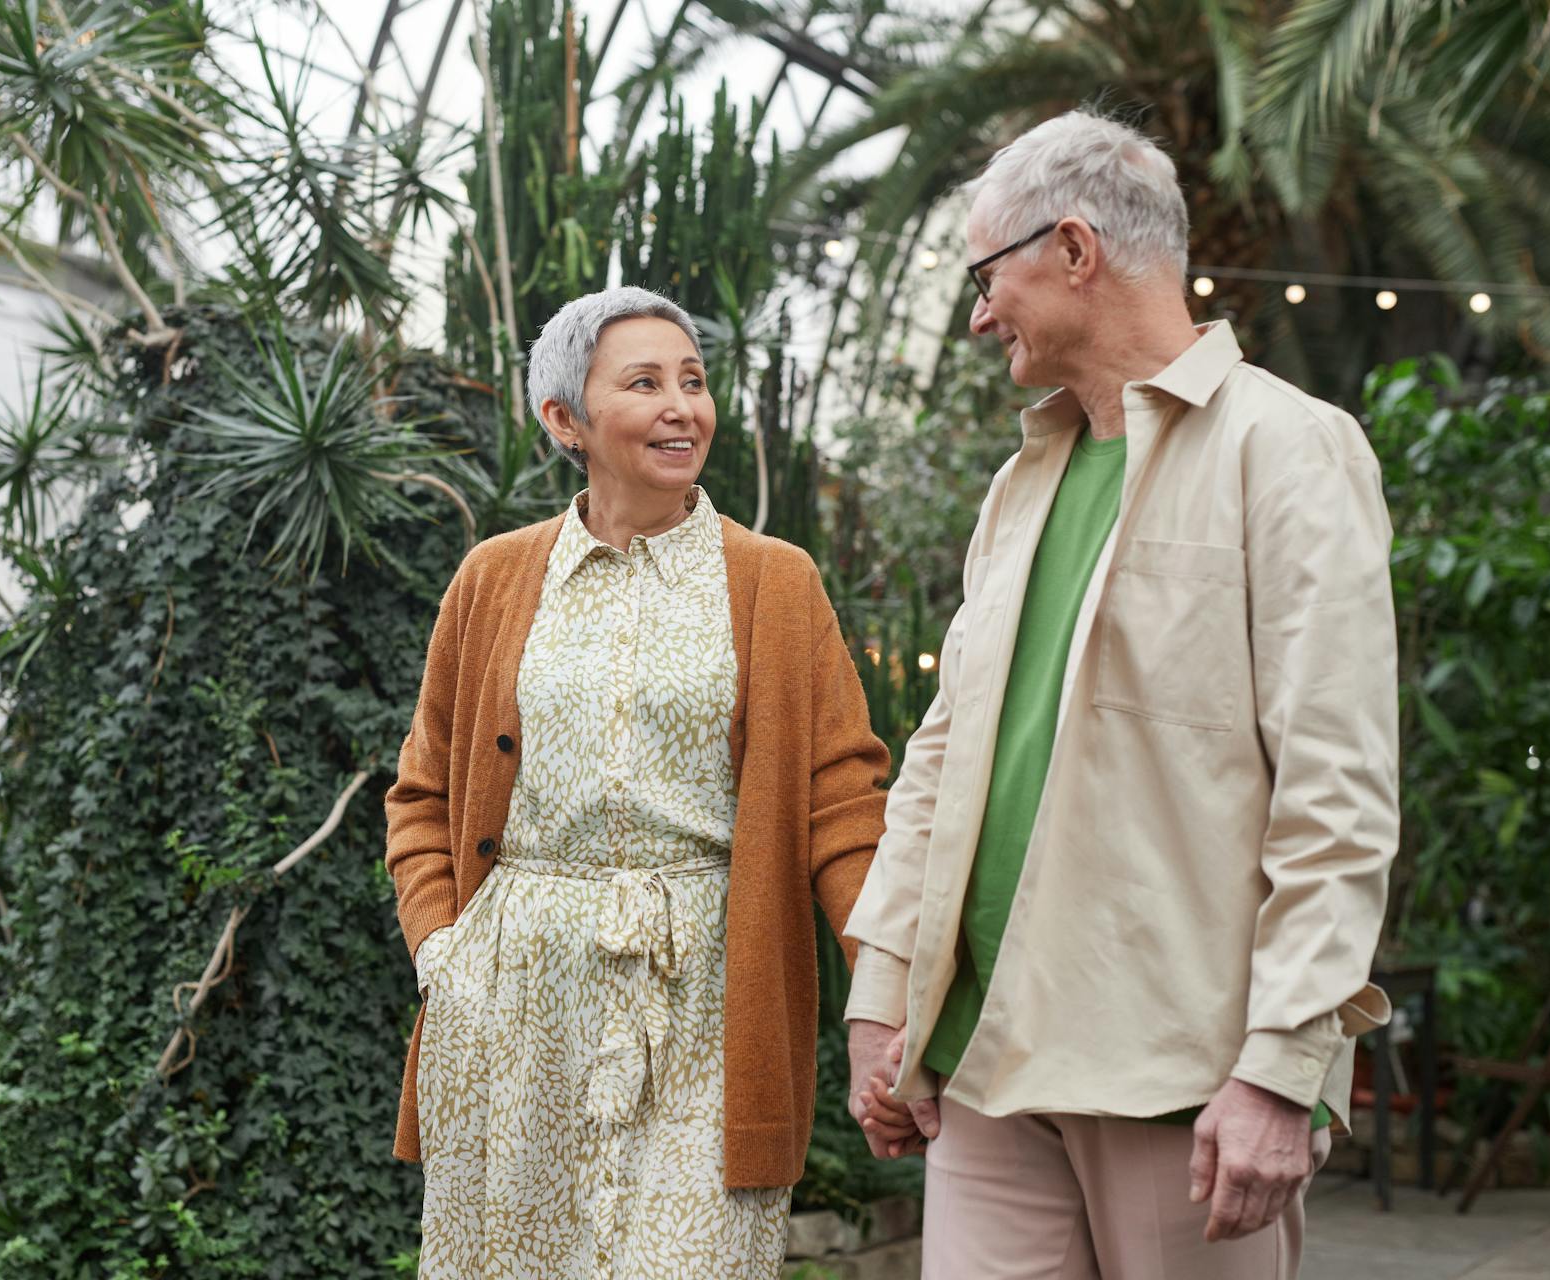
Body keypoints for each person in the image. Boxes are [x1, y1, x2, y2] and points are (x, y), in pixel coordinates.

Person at [842, 110, 1399, 1279]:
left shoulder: (1291, 449)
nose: (981, 312)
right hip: (983, 1059)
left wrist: (1280, 1064)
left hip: (1178, 1071)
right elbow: (944, 750)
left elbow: (1335, 790)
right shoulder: (1020, 480)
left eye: (990, 276)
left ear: (1077, 249)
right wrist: (883, 995)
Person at [386, 285, 889, 1277]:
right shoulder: (492, 578)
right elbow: (422, 790)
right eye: (645, 382)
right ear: (565, 418)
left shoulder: (773, 582)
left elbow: (840, 797)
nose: (681, 406)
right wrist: (443, 952)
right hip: (515, 997)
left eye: (694, 382)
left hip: (706, 990)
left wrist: (886, 979)